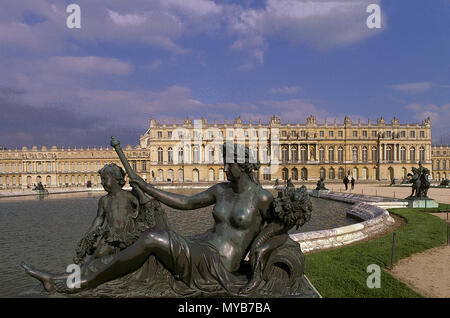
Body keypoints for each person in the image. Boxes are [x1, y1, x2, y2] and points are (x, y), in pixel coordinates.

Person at [21, 143, 284, 295]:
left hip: (217, 264)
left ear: (243, 165)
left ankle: (85, 283)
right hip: (202, 248)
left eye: (230, 164)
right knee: (133, 244)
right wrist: (146, 187)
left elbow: (283, 223)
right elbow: (184, 203)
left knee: (151, 238)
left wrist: (262, 245)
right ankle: (60, 277)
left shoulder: (262, 198)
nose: (225, 168)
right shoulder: (221, 190)